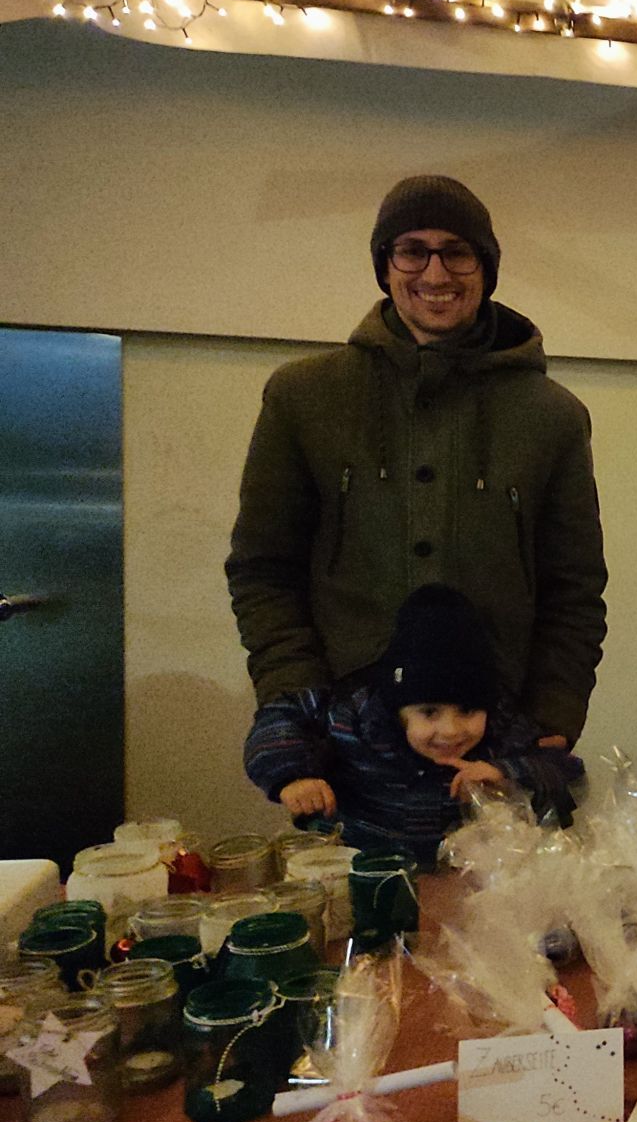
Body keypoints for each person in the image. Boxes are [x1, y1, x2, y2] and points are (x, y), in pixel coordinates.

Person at [225, 174, 607, 749]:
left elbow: (573, 590)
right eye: (412, 251)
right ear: (385, 266)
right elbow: (263, 569)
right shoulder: (304, 396)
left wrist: (551, 721)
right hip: (340, 729)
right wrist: (293, 697)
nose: (435, 274)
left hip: (496, 737)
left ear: (486, 268)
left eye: (457, 252)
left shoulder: (552, 416)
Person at [243, 585, 583, 863]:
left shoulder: (503, 726)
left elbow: (564, 769)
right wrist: (293, 777)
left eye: (468, 711)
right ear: (397, 706)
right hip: (359, 869)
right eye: (429, 712)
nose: (451, 731)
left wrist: (506, 772)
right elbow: (280, 717)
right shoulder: (351, 718)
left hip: (465, 881)